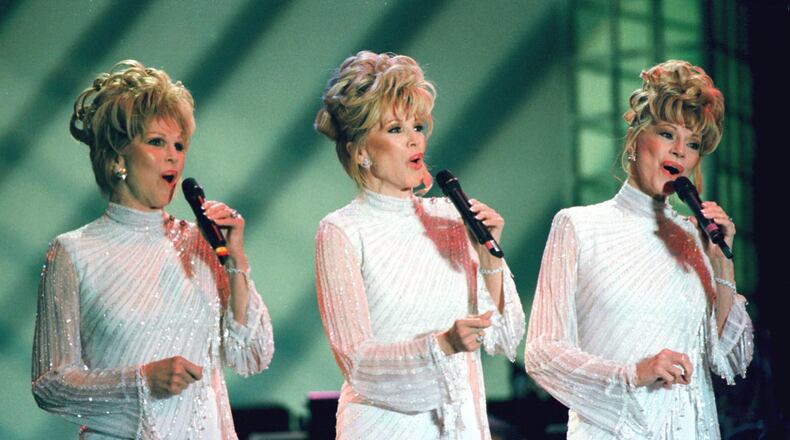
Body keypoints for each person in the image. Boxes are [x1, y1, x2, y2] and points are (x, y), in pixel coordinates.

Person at [32, 60, 274, 439]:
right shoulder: (73, 252)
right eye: (157, 142)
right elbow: (51, 385)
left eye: (179, 144)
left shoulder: (201, 244)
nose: (173, 155)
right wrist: (142, 380)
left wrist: (236, 264)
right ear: (117, 157)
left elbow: (251, 355)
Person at [524, 60, 754, 439]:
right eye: (667, 134)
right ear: (635, 140)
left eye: (693, 143)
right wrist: (634, 373)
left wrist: (722, 265)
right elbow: (542, 352)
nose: (680, 150)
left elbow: (728, 359)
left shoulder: (697, 238)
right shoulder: (579, 227)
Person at [313, 50, 525, 440]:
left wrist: (489, 257)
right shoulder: (341, 231)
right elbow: (356, 362)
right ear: (360, 150)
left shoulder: (451, 216)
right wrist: (442, 344)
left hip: (460, 423)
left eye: (418, 126)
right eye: (395, 130)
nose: (414, 140)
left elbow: (506, 337)